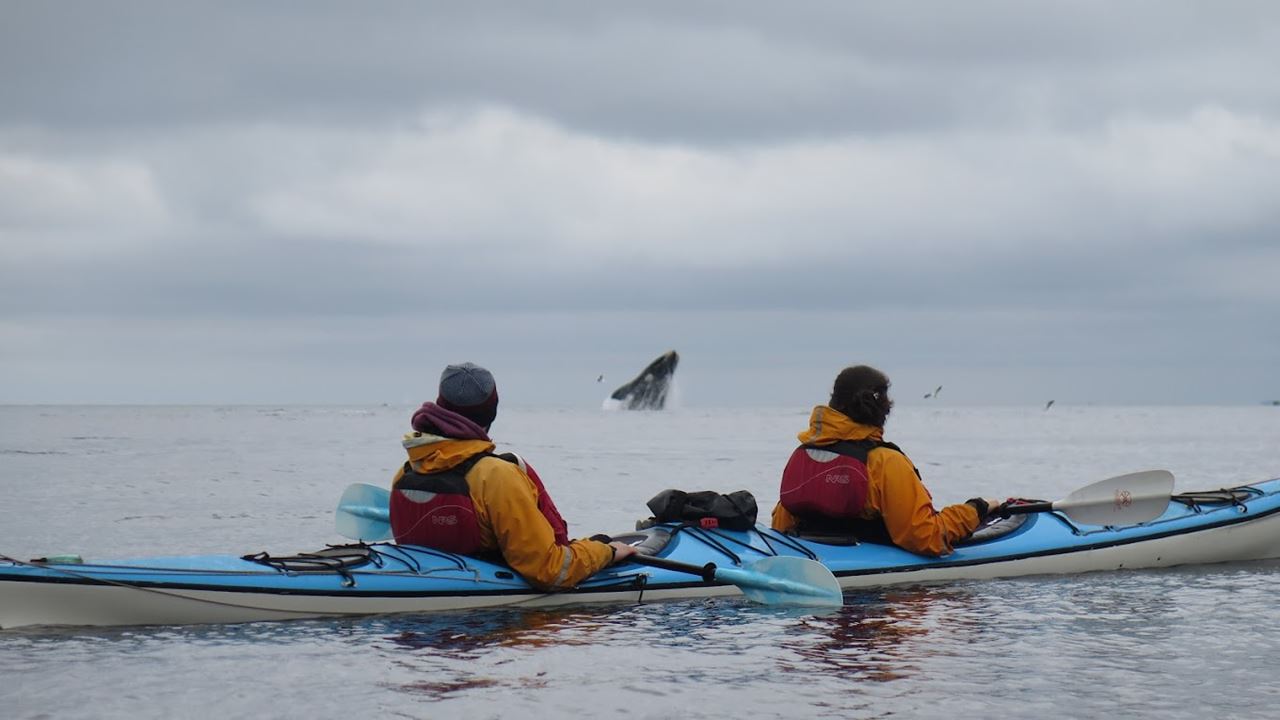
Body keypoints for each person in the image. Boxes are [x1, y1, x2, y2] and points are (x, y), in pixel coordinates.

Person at [390, 362, 636, 589]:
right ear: (490, 413)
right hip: (493, 626)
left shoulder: (408, 469)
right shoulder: (496, 476)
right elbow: (550, 570)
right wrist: (607, 552)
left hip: (422, 602)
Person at [771, 365, 1001, 556]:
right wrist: (976, 509)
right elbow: (925, 538)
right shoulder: (885, 461)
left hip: (813, 560)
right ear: (882, 407)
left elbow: (780, 526)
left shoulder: (803, 453)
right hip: (876, 594)